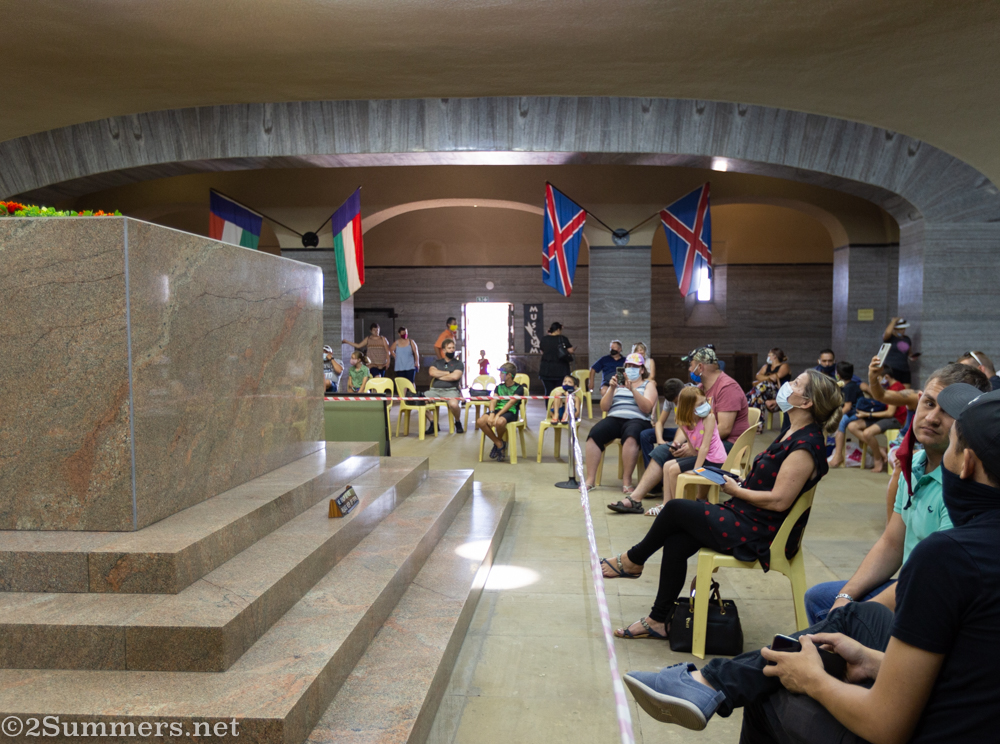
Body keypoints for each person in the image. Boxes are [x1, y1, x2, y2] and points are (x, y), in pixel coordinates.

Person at [623, 382, 1000, 744]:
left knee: (770, 696)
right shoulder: (957, 533)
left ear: (965, 464)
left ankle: (712, 682)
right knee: (852, 616)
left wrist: (813, 680)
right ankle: (710, 681)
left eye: (952, 443)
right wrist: (874, 659)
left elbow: (887, 725)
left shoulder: (949, 556)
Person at [600, 371, 842, 644]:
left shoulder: (805, 445)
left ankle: (633, 560)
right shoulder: (793, 431)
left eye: (796, 384)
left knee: (677, 509)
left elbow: (779, 500)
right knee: (678, 538)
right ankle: (658, 620)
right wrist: (737, 482)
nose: (788, 386)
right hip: (748, 515)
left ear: (806, 402)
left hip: (761, 532)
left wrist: (738, 491)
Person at [805, 363, 991, 624]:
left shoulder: (964, 487)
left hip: (938, 603)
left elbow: (930, 577)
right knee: (821, 598)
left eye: (948, 411)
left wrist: (857, 617)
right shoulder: (914, 464)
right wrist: (845, 598)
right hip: (911, 585)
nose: (933, 417)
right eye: (929, 403)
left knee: (839, 627)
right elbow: (892, 543)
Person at [609, 348, 750, 512]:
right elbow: (689, 424)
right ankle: (635, 499)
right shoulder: (700, 388)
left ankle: (677, 505)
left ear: (700, 367)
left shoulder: (727, 388)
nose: (690, 370)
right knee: (665, 449)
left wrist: (693, 448)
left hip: (727, 445)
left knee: (675, 459)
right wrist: (680, 444)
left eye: (691, 365)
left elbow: (724, 429)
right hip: (703, 440)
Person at [644, 386, 728, 517]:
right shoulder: (683, 422)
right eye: (700, 404)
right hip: (703, 457)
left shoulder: (709, 418)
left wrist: (696, 469)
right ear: (688, 408)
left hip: (714, 459)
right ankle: (667, 505)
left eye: (705, 401)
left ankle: (678, 510)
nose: (705, 406)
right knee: (667, 466)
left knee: (673, 470)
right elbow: (691, 444)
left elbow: (705, 447)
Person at [586, 353, 657, 495]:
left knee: (631, 436)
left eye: (635, 367)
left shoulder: (648, 385)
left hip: (638, 419)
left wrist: (633, 390)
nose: (631, 369)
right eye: (628, 366)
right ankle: (590, 480)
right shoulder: (617, 385)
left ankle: (627, 481)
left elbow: (647, 408)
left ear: (642, 370)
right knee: (594, 434)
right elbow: (604, 407)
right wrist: (611, 389)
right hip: (615, 417)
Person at [846, 367, 906, 473]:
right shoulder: (889, 387)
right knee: (852, 426)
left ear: (886, 377)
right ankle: (880, 449)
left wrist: (867, 414)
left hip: (894, 419)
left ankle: (877, 459)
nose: (878, 382)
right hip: (884, 417)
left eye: (878, 379)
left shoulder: (896, 388)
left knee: (868, 433)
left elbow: (890, 413)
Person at [477, 362, 524, 461]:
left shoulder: (519, 388)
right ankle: (499, 443)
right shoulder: (499, 387)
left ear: (509, 375)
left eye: (502, 373)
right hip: (498, 410)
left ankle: (499, 443)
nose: (499, 375)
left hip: (511, 412)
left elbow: (510, 403)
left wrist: (497, 415)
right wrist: (492, 413)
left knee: (500, 422)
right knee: (480, 421)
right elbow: (493, 400)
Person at [640, 378, 686, 469]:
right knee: (645, 435)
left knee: (671, 449)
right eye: (673, 402)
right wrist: (659, 440)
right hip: (679, 431)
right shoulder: (670, 398)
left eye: (676, 401)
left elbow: (686, 426)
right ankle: (651, 472)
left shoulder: (691, 396)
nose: (676, 404)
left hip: (690, 433)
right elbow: (660, 422)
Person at [827, 361, 862, 468]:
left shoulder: (849, 387)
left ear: (839, 374)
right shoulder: (846, 386)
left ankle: (838, 455)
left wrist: (834, 415)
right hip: (854, 412)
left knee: (840, 422)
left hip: (858, 413)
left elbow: (847, 407)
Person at [425, 337, 465, 434]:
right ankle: (433, 423)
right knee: (421, 401)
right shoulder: (436, 362)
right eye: (449, 348)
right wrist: (449, 372)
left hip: (451, 390)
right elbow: (431, 372)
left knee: (454, 405)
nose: (452, 350)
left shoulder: (459, 363)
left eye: (453, 348)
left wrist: (439, 375)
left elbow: (455, 377)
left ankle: (458, 421)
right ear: (443, 350)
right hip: (435, 390)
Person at [747, 348, 791, 430]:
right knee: (758, 399)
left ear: (774, 356)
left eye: (769, 355)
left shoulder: (784, 366)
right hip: (765, 394)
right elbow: (757, 375)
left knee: (763, 384)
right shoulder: (766, 366)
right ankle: (758, 427)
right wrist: (768, 378)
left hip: (778, 393)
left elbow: (775, 378)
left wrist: (764, 378)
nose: (767, 357)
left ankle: (747, 399)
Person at [538, 322, 574, 396]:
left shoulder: (544, 339)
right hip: (561, 370)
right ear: (558, 330)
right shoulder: (563, 338)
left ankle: (549, 407)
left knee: (548, 392)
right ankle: (559, 407)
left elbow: (542, 352)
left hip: (546, 370)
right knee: (560, 391)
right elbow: (571, 350)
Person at [882, 316, 915, 386]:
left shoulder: (907, 339)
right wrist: (894, 321)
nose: (903, 331)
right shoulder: (890, 338)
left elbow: (909, 353)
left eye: (904, 329)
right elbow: (887, 333)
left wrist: (912, 357)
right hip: (892, 368)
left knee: (906, 390)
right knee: (894, 389)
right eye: (900, 329)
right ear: (895, 329)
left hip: (904, 368)